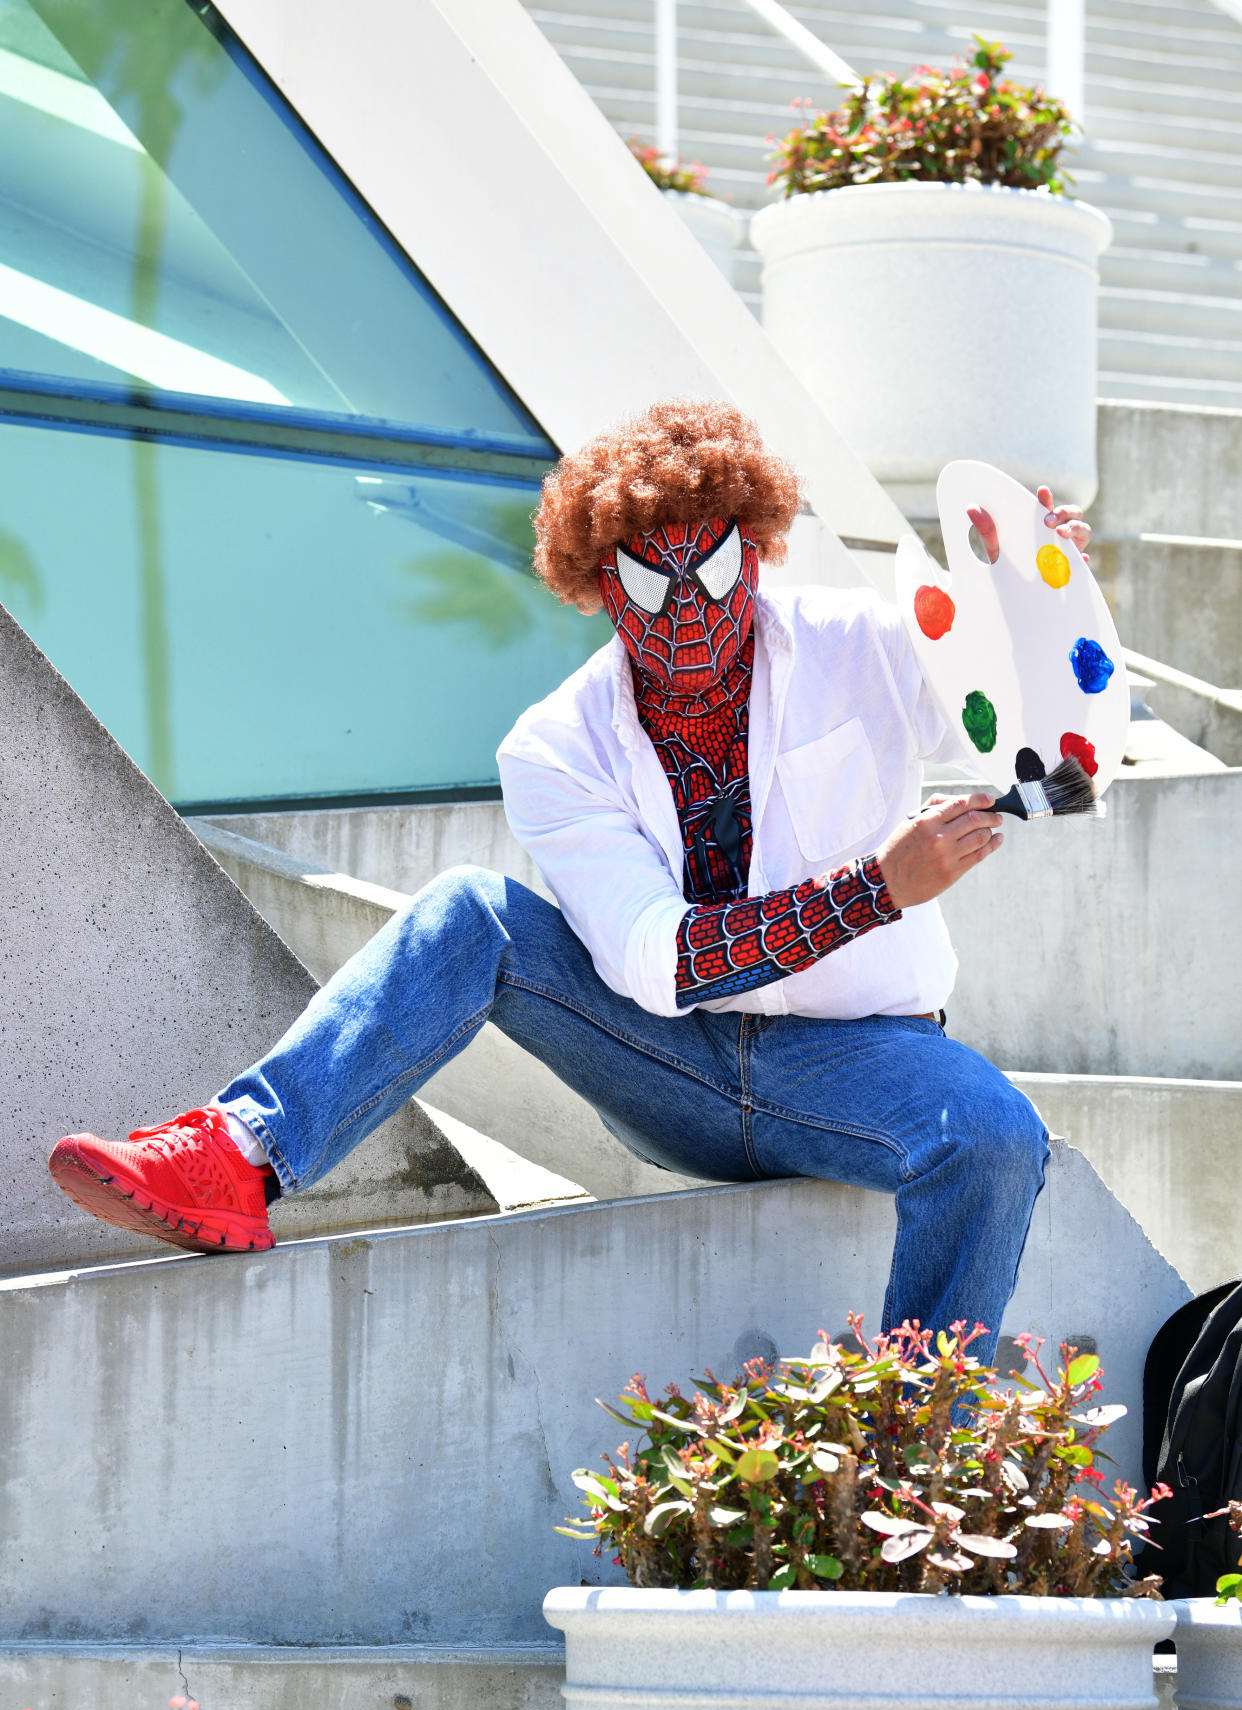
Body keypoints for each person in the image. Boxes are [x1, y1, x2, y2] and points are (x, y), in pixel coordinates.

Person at [48, 401, 1091, 1360]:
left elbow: (1031, 727)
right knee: (473, 912)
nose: (687, 607)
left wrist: (1040, 602)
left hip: (865, 1054)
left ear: (759, 556)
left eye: (716, 571)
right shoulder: (552, 747)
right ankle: (239, 1152)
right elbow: (655, 962)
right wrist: (876, 887)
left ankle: (912, 1446)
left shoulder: (861, 646)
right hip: (666, 1068)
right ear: (598, 584)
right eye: (647, 581)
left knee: (996, 1137)